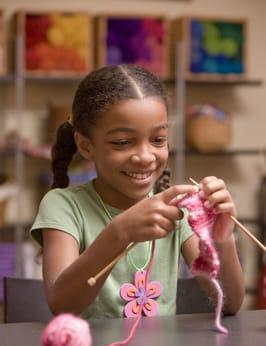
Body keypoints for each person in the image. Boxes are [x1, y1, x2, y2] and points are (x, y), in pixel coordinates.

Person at [30, 64, 245, 319]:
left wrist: (222, 238)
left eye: (158, 140)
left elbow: (230, 303)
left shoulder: (178, 211)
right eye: (122, 142)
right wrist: (119, 233)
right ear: (86, 146)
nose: (145, 157)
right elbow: (62, 305)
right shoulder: (63, 206)